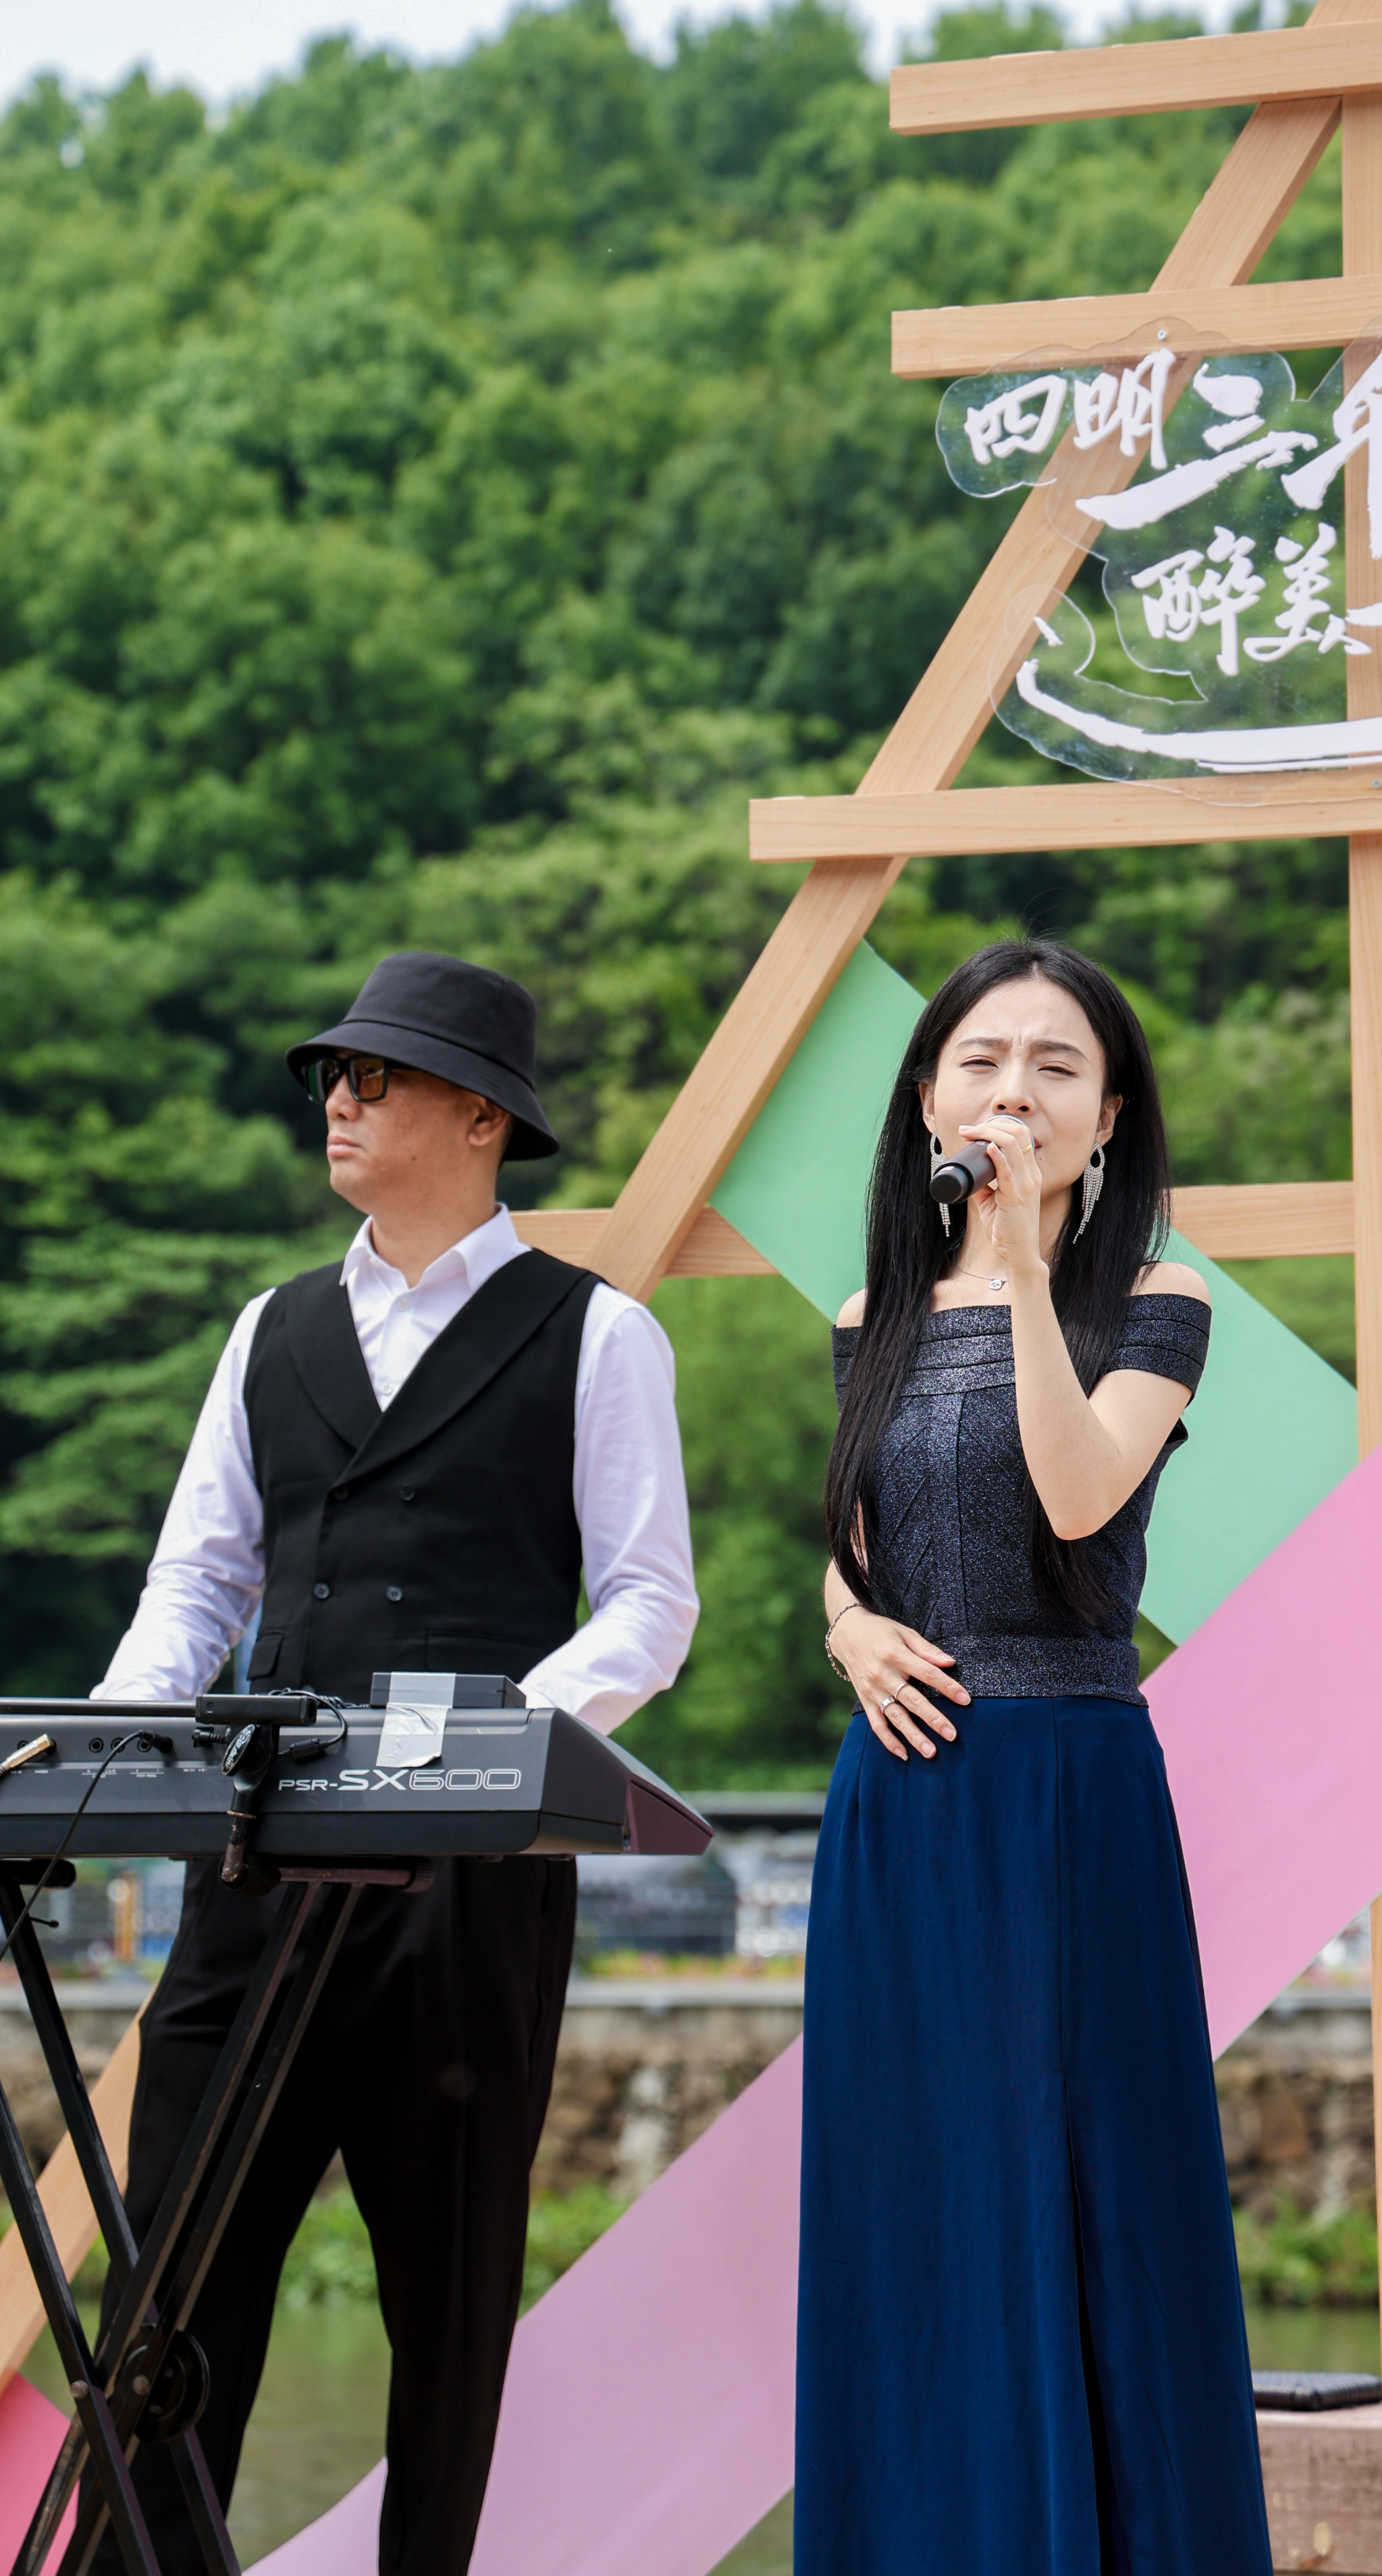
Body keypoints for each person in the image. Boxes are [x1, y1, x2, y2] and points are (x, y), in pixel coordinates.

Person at [89, 950, 699, 2576]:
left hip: (466, 1881)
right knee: (165, 2294)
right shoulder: (270, 1327)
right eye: (330, 1075)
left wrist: (495, 1746)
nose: (338, 1100)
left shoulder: (597, 1334)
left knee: (446, 2307)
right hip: (252, 1858)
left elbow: (650, 1602)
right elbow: (198, 1582)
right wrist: (117, 1739)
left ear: (482, 1116)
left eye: (374, 1075)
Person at [797, 939, 1272, 2576]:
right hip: (900, 1794)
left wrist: (1013, 1263)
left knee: (1088, 2187)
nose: (1016, 1091)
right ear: (929, 1096)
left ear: (1109, 1112)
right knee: (910, 2200)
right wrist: (844, 1627)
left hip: (1065, 1788)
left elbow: (1074, 1495)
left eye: (1057, 1065)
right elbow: (858, 1544)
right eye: (982, 1060)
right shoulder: (866, 1313)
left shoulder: (1156, 1296)